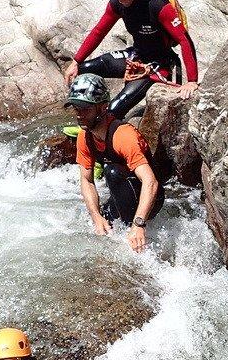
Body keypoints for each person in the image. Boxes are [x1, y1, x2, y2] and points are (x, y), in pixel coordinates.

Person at [63, 0, 199, 118]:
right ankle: (87, 114)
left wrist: (192, 81)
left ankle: (101, 123)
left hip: (156, 67)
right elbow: (99, 31)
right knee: (81, 71)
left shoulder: (157, 5)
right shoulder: (117, 2)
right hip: (136, 54)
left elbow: (185, 40)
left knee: (113, 110)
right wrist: (76, 61)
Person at [66, 74, 164, 253]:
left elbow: (151, 182)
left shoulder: (124, 135)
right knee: (100, 221)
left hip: (149, 194)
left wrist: (139, 224)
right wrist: (96, 217)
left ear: (103, 107)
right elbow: (87, 181)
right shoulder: (84, 137)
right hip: (121, 190)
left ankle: (133, 235)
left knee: (111, 172)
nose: (79, 114)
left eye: (85, 108)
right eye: (76, 108)